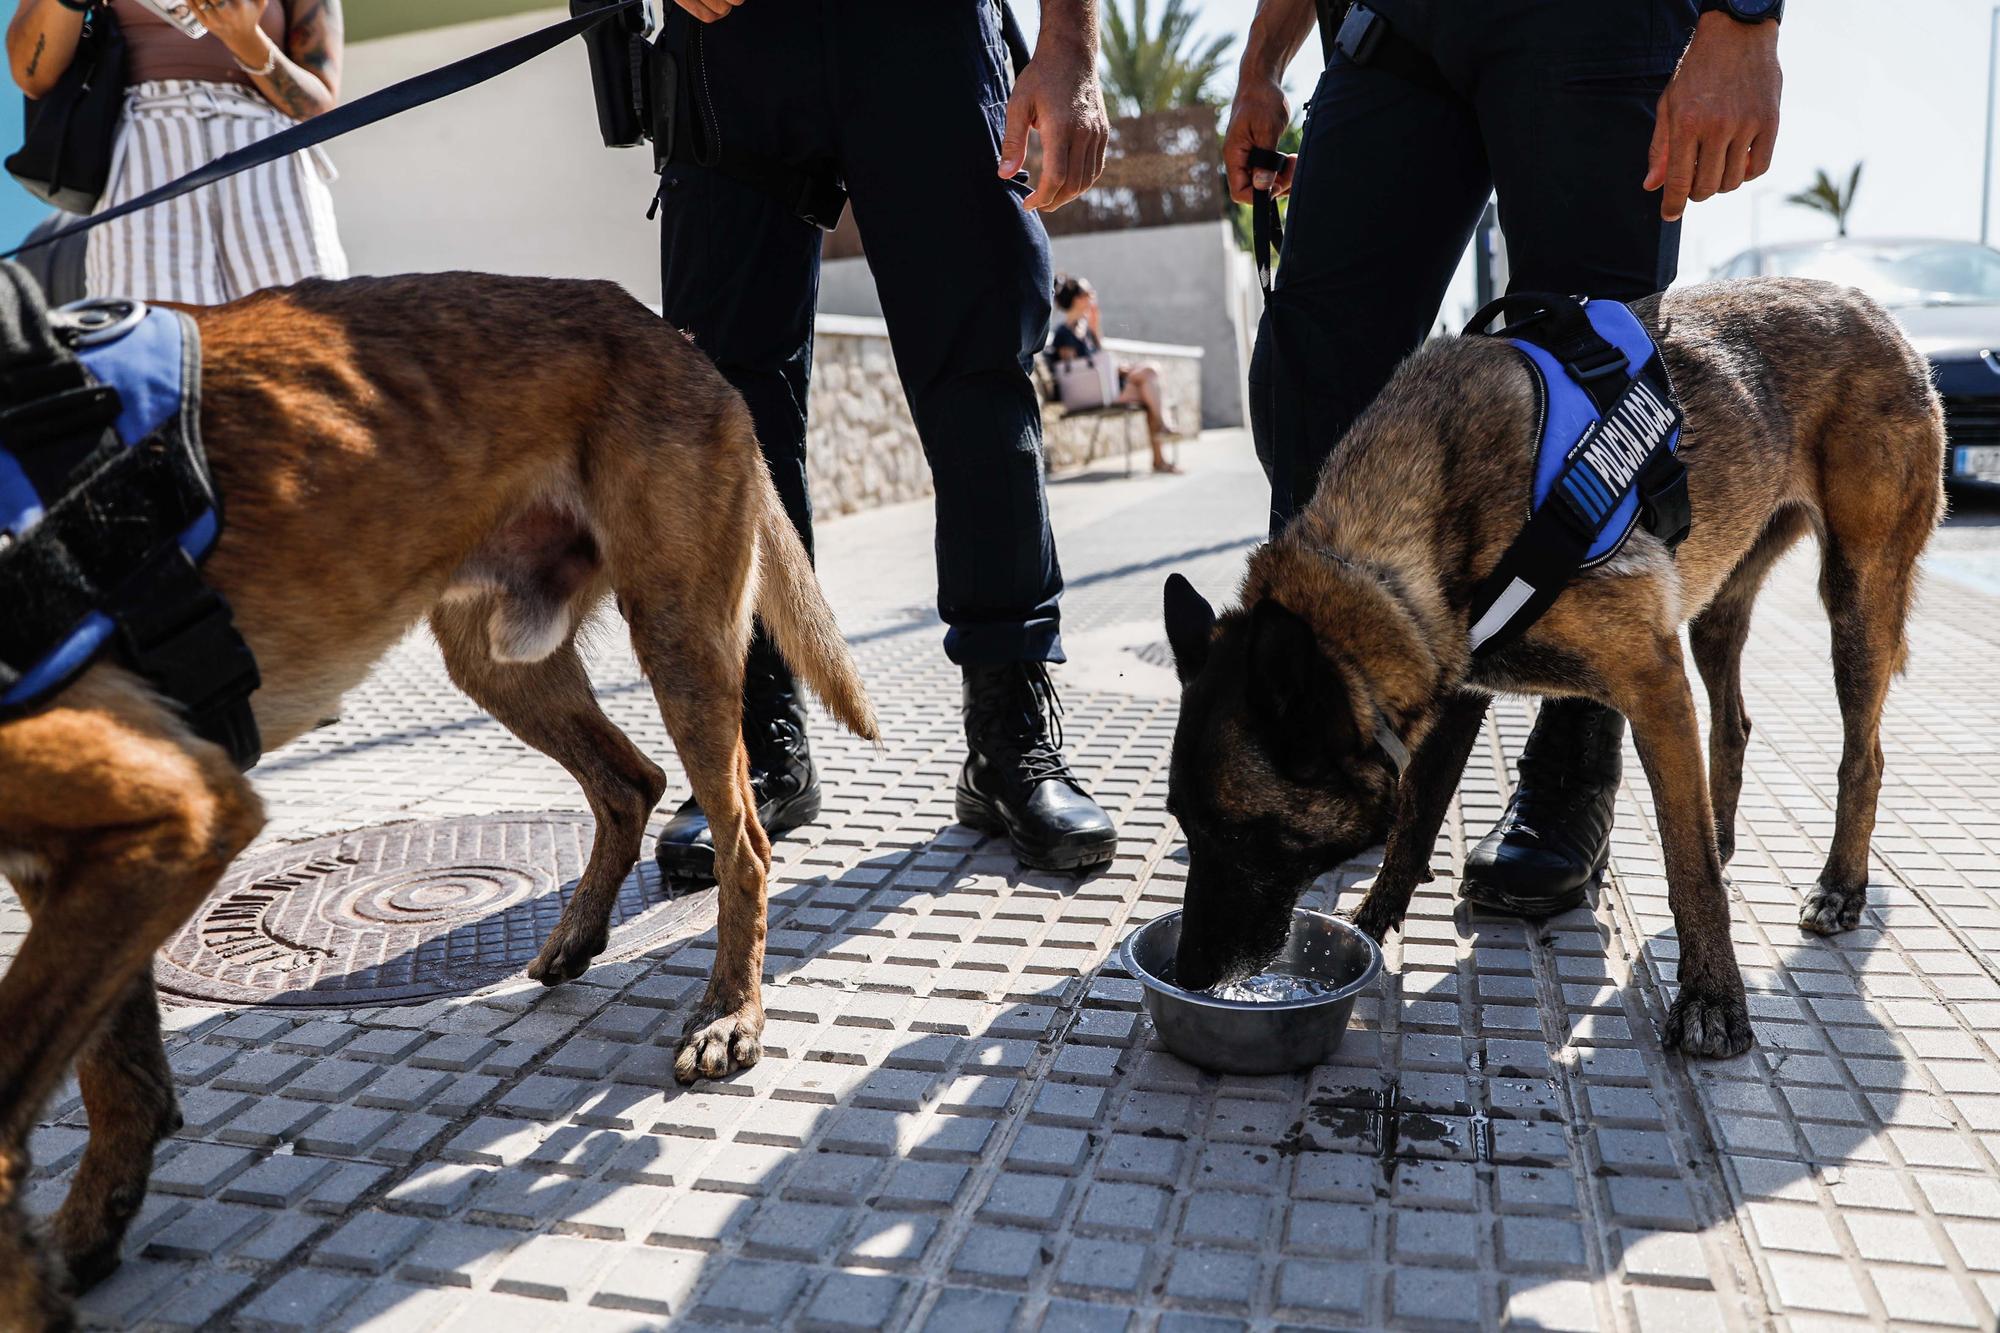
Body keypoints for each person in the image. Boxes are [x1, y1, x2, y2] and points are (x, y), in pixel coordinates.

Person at [1222, 0, 1783, 917]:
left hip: (1588, 26)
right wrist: (1261, 61)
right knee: (1312, 386)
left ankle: (1570, 775)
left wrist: (1744, 22)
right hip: (1391, 29)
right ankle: (1318, 750)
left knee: (1594, 416)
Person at [650, 0, 1122, 883]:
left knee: (981, 373)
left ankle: (1007, 734)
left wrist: (1068, 50)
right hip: (731, 41)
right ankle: (759, 740)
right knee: (723, 406)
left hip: (924, 32)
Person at [6, 0, 347, 306]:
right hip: (143, 148)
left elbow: (318, 106)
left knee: (305, 320)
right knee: (151, 337)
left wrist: (246, 40)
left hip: (267, 151)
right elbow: (31, 75)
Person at [1051, 273, 1184, 474]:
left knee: (1148, 383)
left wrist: (1096, 325)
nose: (1093, 296)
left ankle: (1161, 448)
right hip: (1089, 392)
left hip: (1104, 386)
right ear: (1079, 299)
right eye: (1089, 293)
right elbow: (1073, 371)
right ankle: (1161, 439)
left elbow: (1099, 357)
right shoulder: (1064, 333)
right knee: (1149, 378)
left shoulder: (1084, 330)